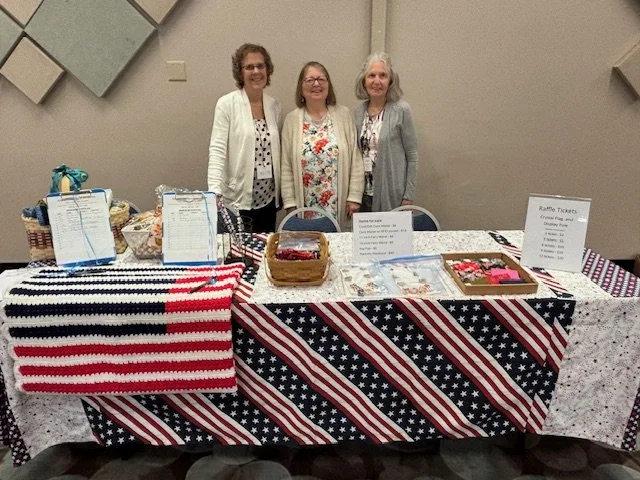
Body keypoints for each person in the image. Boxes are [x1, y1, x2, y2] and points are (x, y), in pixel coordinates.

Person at [208, 43, 282, 233]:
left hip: (268, 200)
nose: (256, 71)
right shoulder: (227, 104)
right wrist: (214, 191)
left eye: (260, 66)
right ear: (240, 72)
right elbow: (217, 150)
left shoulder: (274, 106)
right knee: (239, 256)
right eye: (249, 67)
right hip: (238, 199)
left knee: (263, 253)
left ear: (268, 70)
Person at [281, 61, 363, 230]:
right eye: (310, 80)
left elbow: (355, 157)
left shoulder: (344, 115)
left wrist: (354, 197)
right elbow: (286, 166)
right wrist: (290, 202)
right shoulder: (291, 120)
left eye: (321, 79)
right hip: (305, 206)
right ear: (301, 87)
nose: (316, 84)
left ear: (328, 85)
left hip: (337, 205)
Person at [354, 52, 418, 212]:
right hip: (362, 196)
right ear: (364, 81)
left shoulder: (402, 110)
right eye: (371, 75)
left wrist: (408, 196)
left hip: (392, 195)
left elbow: (412, 155)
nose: (377, 81)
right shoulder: (358, 112)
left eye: (382, 75)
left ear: (390, 81)